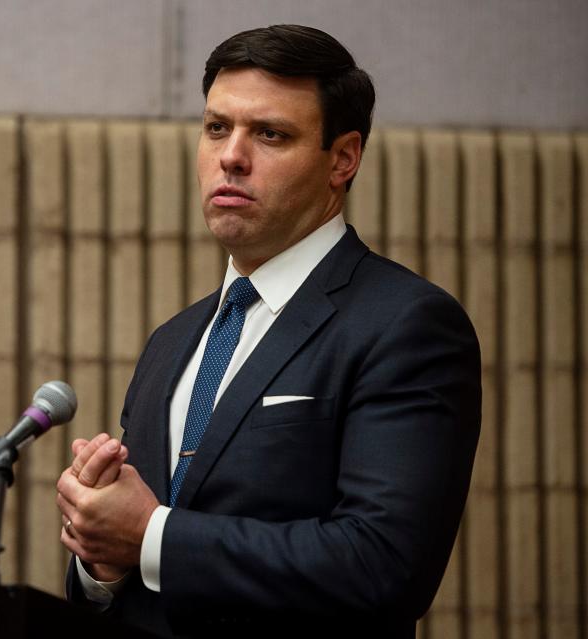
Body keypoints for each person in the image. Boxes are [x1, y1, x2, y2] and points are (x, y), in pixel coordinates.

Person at [55, 24, 481, 638]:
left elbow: (385, 564)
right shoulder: (172, 340)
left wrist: (152, 535)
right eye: (216, 128)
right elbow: (132, 560)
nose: (231, 155)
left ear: (343, 158)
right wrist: (100, 555)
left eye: (270, 134)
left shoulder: (405, 324)